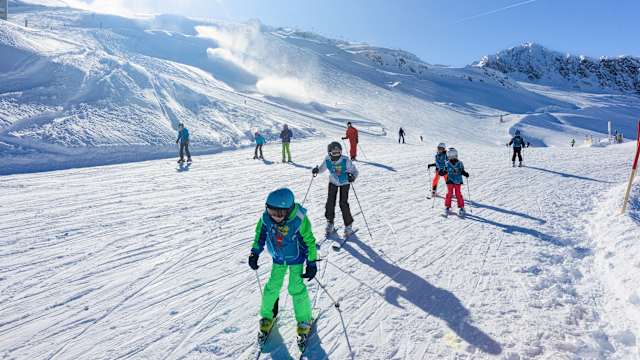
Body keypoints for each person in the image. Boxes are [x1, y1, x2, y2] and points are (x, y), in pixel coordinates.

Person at [248, 188, 317, 339]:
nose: (275, 217)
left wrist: (311, 263)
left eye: (279, 214)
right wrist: (254, 252)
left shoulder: (298, 219)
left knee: (295, 287)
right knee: (272, 286)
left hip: (296, 259)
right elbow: (260, 235)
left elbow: (310, 241)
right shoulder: (266, 218)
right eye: (272, 212)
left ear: (289, 209)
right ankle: (267, 316)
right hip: (278, 258)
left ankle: (304, 320)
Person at [312, 142, 359, 238]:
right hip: (333, 181)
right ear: (329, 153)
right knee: (330, 202)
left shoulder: (345, 160)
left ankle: (348, 225)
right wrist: (317, 170)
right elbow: (322, 169)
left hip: (345, 182)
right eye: (334, 152)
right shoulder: (327, 159)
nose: (337, 154)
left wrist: (352, 176)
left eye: (338, 152)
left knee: (343, 203)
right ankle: (330, 222)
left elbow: (355, 171)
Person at [443, 148, 469, 217]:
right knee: (449, 193)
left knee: (458, 194)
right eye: (449, 155)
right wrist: (442, 172)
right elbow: (445, 170)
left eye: (452, 155)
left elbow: (462, 170)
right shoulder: (447, 163)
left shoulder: (460, 163)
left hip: (457, 180)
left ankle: (462, 207)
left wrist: (465, 173)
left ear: (455, 155)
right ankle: (447, 206)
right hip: (450, 180)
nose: (451, 157)